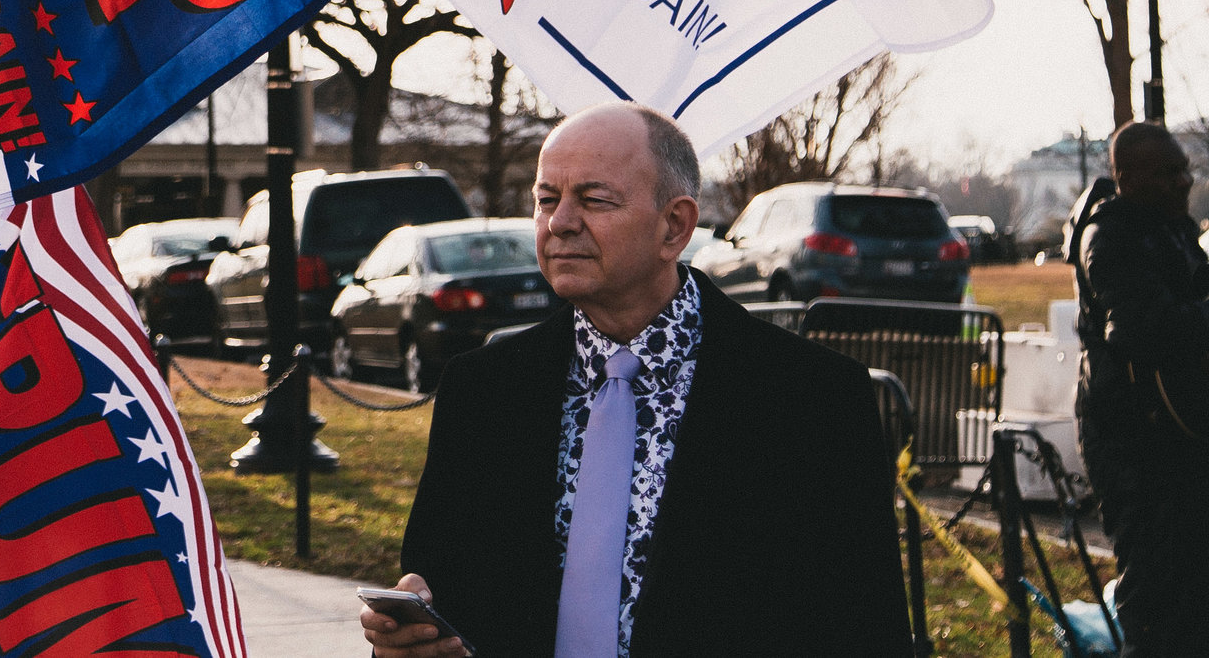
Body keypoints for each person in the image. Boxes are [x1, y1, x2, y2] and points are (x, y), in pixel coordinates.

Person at [361, 103, 906, 658]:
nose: (561, 222)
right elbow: (440, 594)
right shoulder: (484, 391)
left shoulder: (812, 397)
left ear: (674, 226)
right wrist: (409, 643)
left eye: (594, 200)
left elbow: (865, 624)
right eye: (547, 199)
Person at [1075, 121, 1209, 658]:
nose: (1184, 181)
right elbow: (1140, 329)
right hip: (1132, 438)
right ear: (1128, 178)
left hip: (1184, 431)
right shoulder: (1110, 237)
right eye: (1168, 173)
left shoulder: (1172, 230)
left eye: (1185, 168)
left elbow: (1198, 293)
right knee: (1158, 585)